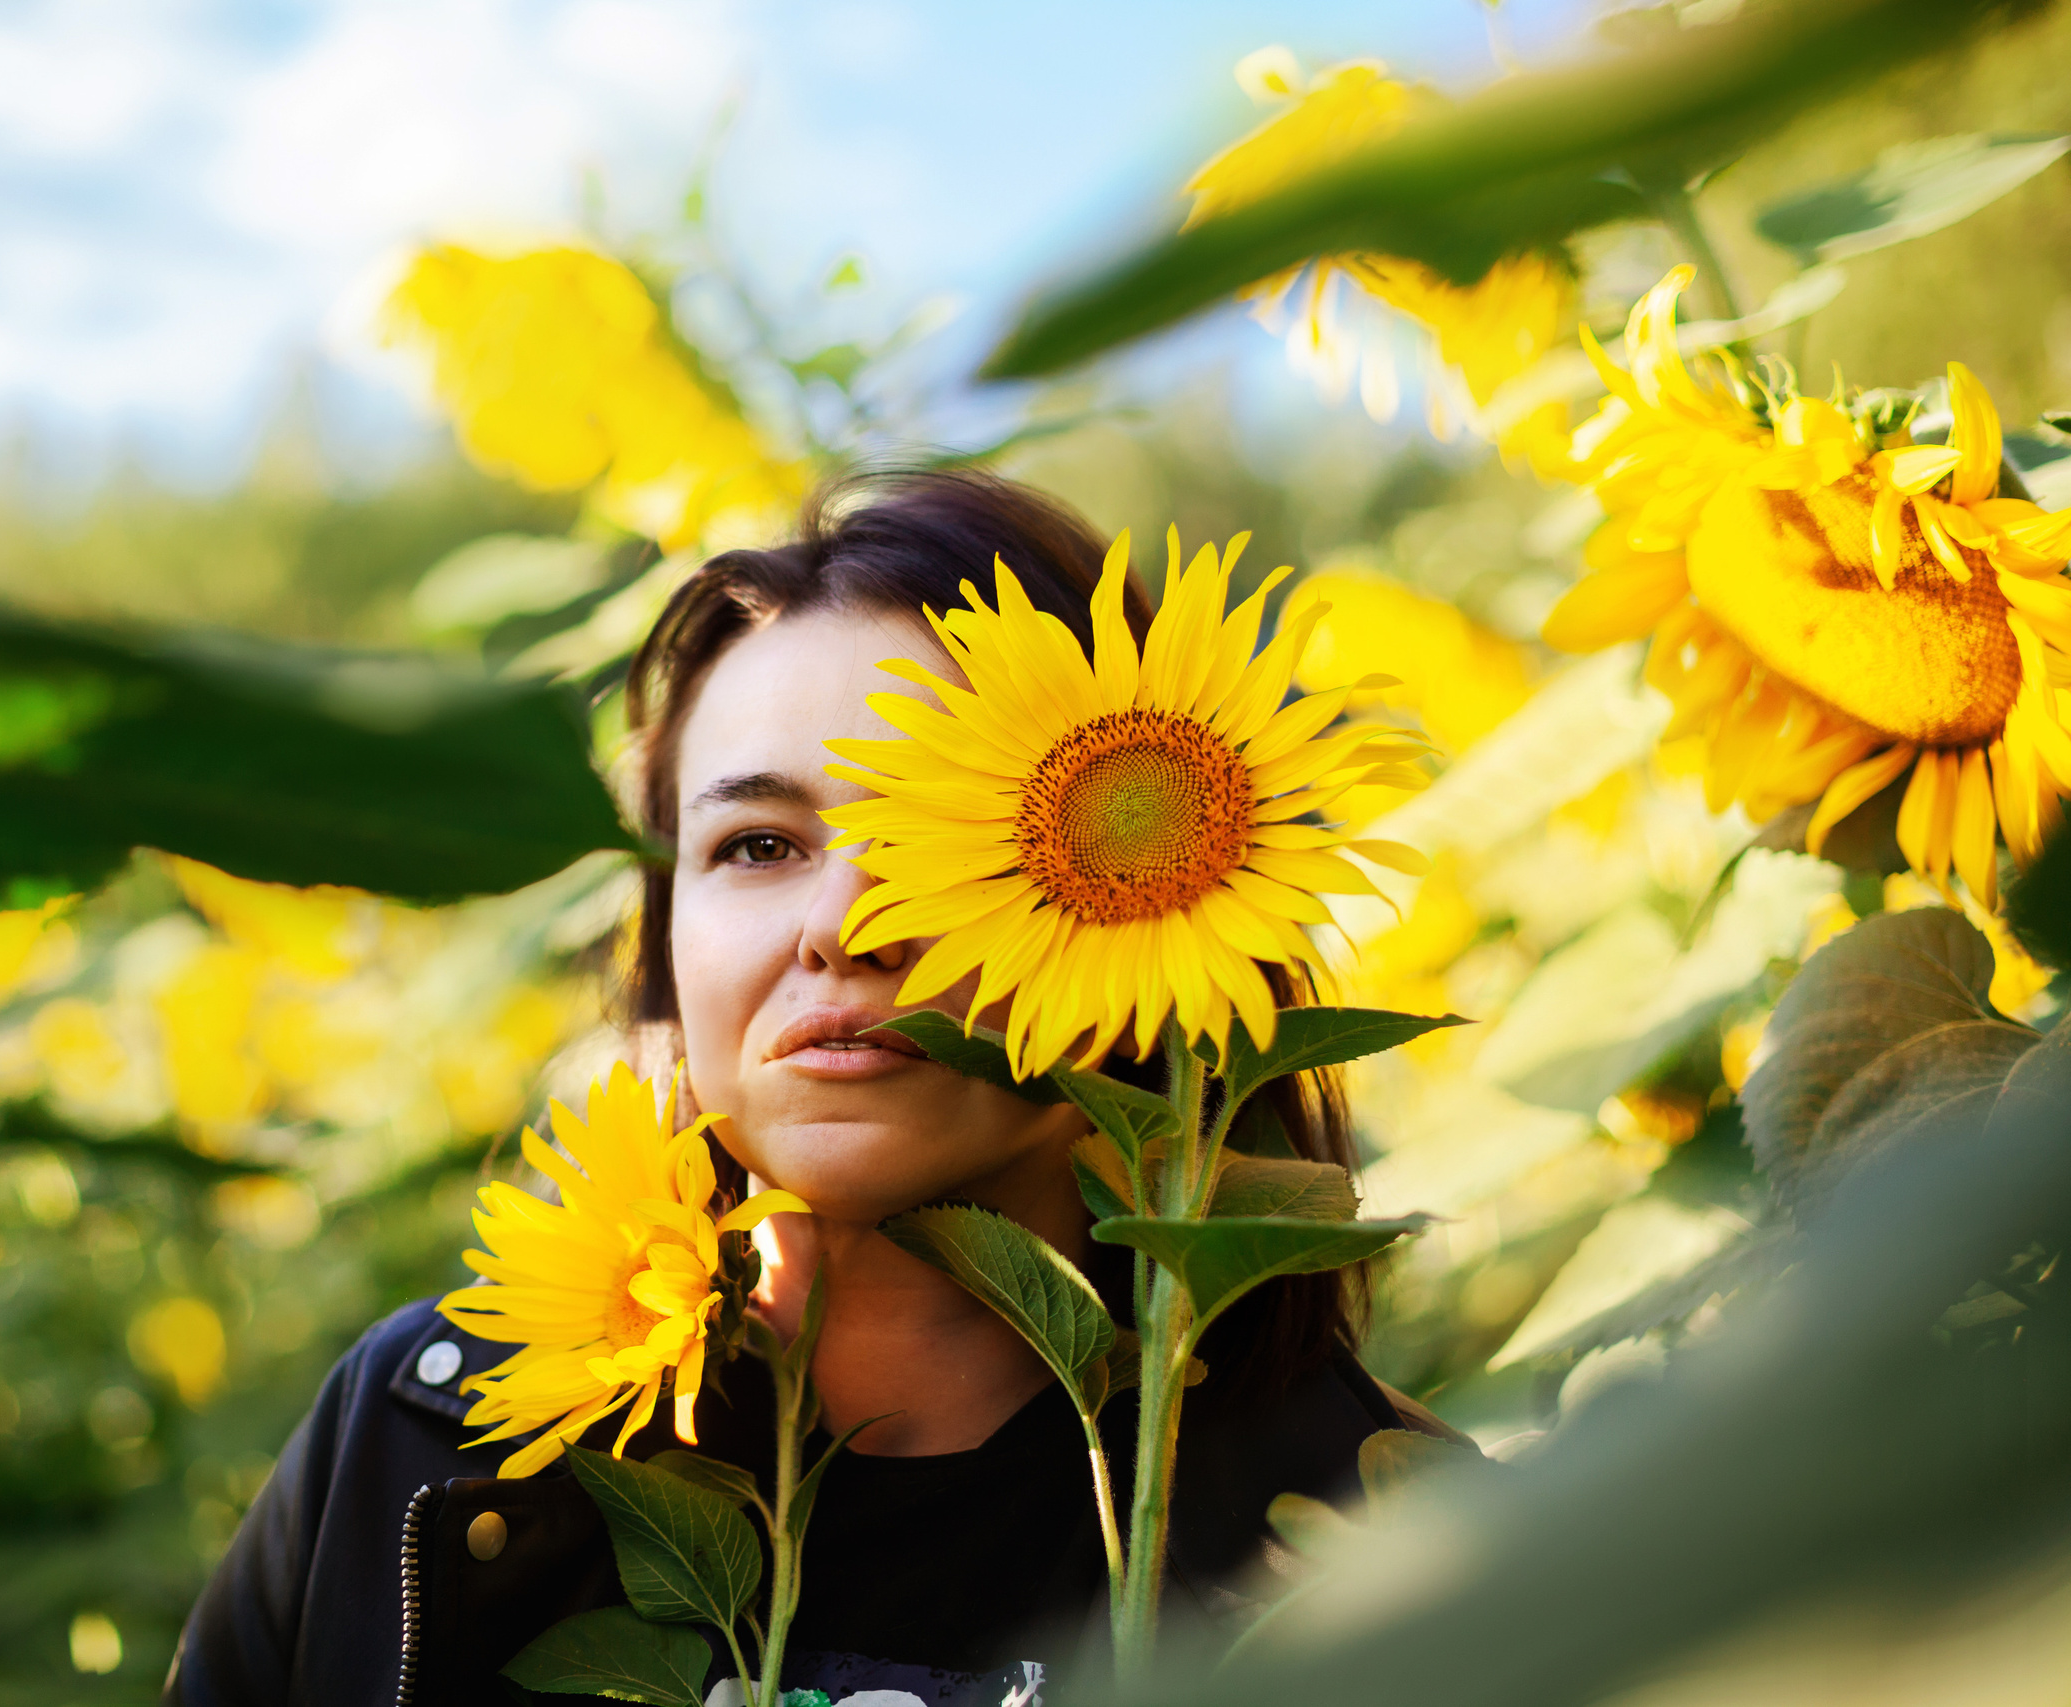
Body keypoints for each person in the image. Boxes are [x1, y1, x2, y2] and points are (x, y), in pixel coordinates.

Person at [165, 470, 1464, 1707]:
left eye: (950, 842)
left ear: (1174, 883)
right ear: (664, 946)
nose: (846, 924)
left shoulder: (1381, 1548)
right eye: (757, 845)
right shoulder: (417, 1445)